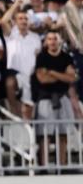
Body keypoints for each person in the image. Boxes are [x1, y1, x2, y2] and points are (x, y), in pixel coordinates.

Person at [34, 30, 80, 166]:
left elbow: (71, 78)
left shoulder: (66, 57)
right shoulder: (41, 57)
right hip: (45, 99)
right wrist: (63, 75)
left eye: (55, 39)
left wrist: (53, 72)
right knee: (44, 134)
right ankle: (44, 166)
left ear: (59, 41)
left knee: (63, 133)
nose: (52, 42)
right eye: (50, 39)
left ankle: (63, 165)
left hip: (63, 98)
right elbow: (42, 79)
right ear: (46, 42)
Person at [1, 0, 42, 118]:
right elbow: (3, 21)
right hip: (15, 73)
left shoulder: (36, 37)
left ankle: (27, 124)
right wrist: (15, 5)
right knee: (10, 83)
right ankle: (15, 114)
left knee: (29, 107)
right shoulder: (11, 34)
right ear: (15, 21)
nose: (23, 21)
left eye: (26, 18)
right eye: (20, 18)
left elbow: (38, 56)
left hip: (31, 75)